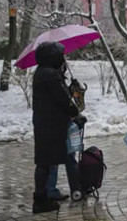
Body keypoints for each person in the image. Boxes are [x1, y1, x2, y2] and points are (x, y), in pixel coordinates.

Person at [32, 42, 79, 214]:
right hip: (50, 124)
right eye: (60, 55)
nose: (63, 58)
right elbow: (62, 99)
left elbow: (58, 95)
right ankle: (40, 200)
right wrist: (76, 114)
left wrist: (68, 85)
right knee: (45, 163)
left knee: (45, 161)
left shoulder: (45, 72)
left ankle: (42, 197)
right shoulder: (49, 74)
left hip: (47, 123)